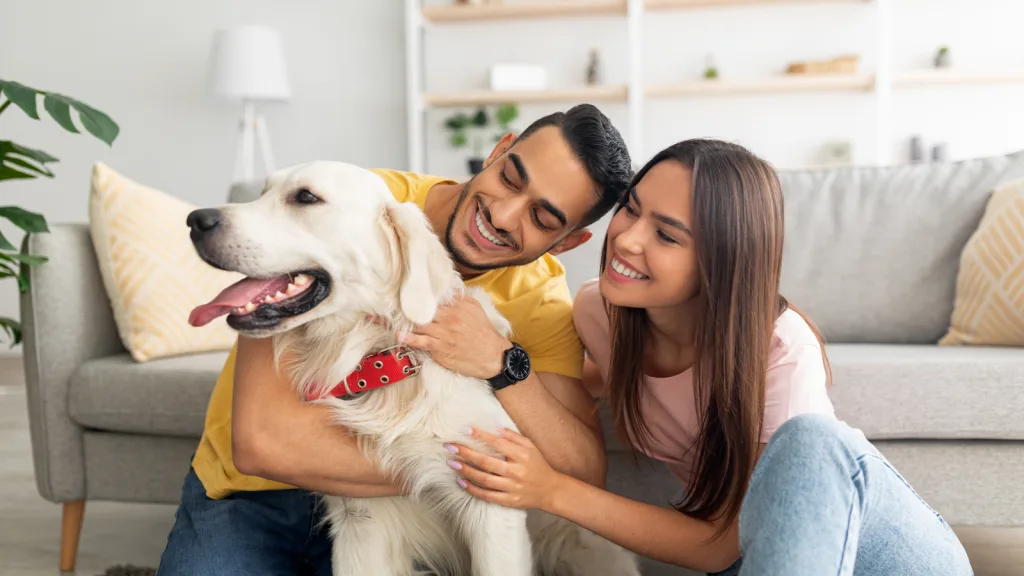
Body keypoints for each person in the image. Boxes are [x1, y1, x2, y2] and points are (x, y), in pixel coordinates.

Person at [446, 139, 974, 576]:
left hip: (882, 557)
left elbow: (723, 544)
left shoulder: (781, 349)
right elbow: (563, 394)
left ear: (720, 262)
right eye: (631, 208)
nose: (626, 240)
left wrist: (551, 489)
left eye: (667, 235)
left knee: (812, 441)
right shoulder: (600, 313)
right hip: (761, 563)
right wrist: (493, 359)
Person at [156, 104, 634, 575]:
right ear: (499, 150)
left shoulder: (539, 295)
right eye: (511, 178)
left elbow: (579, 471)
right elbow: (263, 446)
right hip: (253, 493)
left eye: (544, 218)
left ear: (566, 243)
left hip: (400, 511)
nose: (505, 215)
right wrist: (474, 471)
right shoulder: (352, 200)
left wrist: (502, 362)